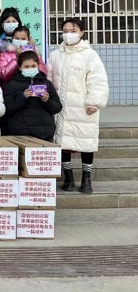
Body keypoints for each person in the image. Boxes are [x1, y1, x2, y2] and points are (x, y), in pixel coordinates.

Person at [48, 18, 109, 194]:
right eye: (65, 31)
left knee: (86, 143)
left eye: (73, 31)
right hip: (61, 108)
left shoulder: (90, 55)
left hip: (83, 107)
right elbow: (49, 80)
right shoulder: (55, 55)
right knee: (63, 142)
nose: (69, 34)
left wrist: (94, 102)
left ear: (82, 33)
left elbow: (98, 81)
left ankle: (86, 179)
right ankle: (68, 178)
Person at [4, 51, 62, 141]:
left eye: (33, 66)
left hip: (45, 133)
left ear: (38, 66)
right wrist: (22, 96)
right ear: (20, 68)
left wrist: (47, 100)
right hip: (22, 135)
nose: (30, 69)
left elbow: (57, 107)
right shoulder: (12, 85)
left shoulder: (46, 84)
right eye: (26, 67)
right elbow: (7, 108)